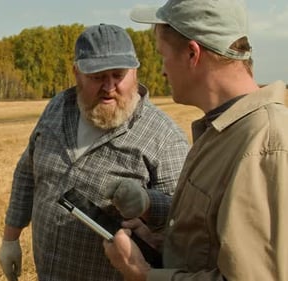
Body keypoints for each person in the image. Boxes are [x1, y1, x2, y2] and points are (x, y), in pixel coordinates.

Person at [103, 0, 288, 280]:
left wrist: (142, 274)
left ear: (192, 54)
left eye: (162, 55)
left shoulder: (264, 144)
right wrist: (164, 243)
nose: (163, 70)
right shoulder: (223, 130)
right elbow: (216, 247)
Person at [0, 23, 189, 281]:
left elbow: (186, 220)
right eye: (98, 77)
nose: (109, 87)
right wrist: (10, 239)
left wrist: (147, 204)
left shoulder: (164, 138)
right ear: (77, 73)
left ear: (135, 72)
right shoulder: (57, 109)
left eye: (118, 75)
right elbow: (26, 173)